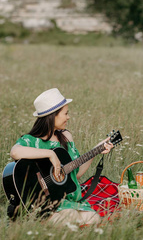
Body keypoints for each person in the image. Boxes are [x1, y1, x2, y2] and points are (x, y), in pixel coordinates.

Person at [9, 88, 114, 225]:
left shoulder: (66, 137)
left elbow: (74, 176)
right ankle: (38, 218)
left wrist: (95, 151)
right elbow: (15, 152)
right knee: (69, 216)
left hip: (66, 199)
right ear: (53, 116)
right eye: (65, 113)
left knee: (93, 218)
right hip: (43, 201)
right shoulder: (32, 141)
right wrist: (51, 154)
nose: (68, 117)